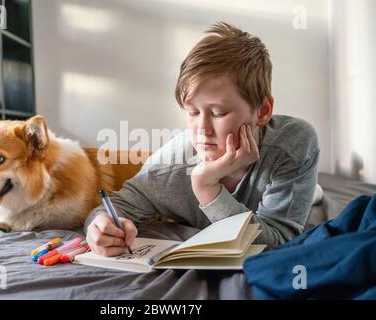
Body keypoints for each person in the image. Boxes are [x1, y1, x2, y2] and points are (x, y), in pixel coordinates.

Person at [84, 22, 320, 256]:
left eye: (218, 113)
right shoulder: (170, 166)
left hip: (298, 193)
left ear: (263, 111)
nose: (202, 129)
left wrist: (207, 187)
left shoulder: (292, 143)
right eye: (193, 112)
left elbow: (278, 245)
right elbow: (114, 208)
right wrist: (101, 227)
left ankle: (315, 190)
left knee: (313, 197)